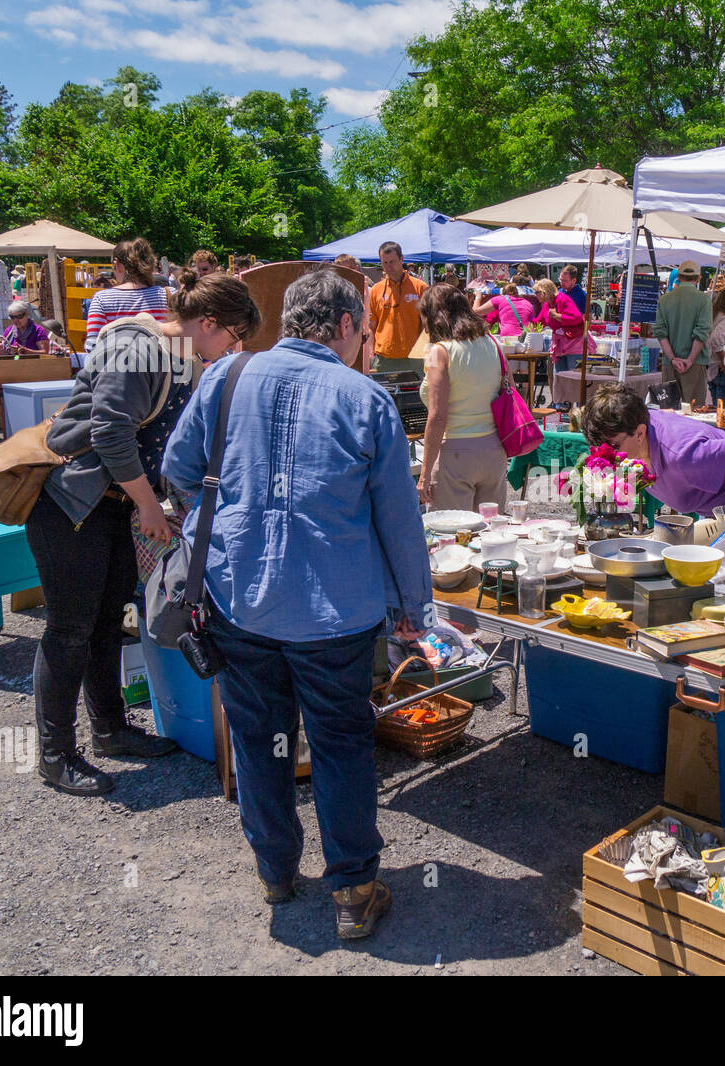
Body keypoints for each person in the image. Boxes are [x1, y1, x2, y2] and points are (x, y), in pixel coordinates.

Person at [162, 270, 432, 939]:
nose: (363, 342)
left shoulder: (224, 377)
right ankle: (353, 890)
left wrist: (227, 523)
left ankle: (276, 871)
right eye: (364, 332)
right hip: (333, 613)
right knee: (341, 747)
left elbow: (177, 468)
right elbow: (398, 519)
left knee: (260, 741)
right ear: (344, 325)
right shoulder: (366, 400)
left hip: (239, 600)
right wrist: (411, 607)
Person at [29, 270, 261, 798]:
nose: (233, 348)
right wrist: (150, 505)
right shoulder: (140, 347)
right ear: (208, 323)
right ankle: (54, 753)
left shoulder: (178, 354)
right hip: (73, 504)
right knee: (69, 630)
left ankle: (110, 729)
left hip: (110, 505)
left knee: (109, 621)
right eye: (233, 336)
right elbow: (110, 430)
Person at [580, 383, 725, 559]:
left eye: (613, 446)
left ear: (640, 433)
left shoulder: (683, 455)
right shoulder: (635, 432)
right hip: (716, 505)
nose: (605, 453)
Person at [417, 283, 509, 511]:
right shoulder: (493, 342)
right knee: (489, 536)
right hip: (494, 451)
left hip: (455, 454)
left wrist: (424, 474)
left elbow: (438, 416)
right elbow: (509, 392)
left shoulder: (437, 351)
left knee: (449, 537)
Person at [84, 238, 168, 348]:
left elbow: (92, 346)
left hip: (116, 364)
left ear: (117, 265)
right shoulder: (167, 295)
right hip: (160, 364)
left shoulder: (102, 299)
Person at [654, 259, 712, 406]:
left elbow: (660, 333)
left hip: (670, 363)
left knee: (669, 410)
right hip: (695, 364)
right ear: (698, 279)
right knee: (694, 412)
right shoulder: (703, 300)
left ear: (678, 278)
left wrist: (673, 358)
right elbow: (702, 333)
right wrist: (690, 359)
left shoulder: (664, 300)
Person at [366, 241, 428, 375]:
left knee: (415, 396)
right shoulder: (376, 290)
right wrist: (370, 352)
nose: (389, 267)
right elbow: (371, 327)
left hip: (414, 358)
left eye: (392, 262)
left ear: (401, 259)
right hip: (383, 359)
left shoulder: (420, 287)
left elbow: (428, 325)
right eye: (385, 263)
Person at [533, 277, 593, 379]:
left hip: (574, 344)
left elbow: (577, 318)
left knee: (573, 378)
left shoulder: (562, 299)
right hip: (561, 345)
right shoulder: (547, 305)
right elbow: (538, 322)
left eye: (536, 292)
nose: (535, 295)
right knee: (560, 378)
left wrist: (557, 316)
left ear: (544, 291)